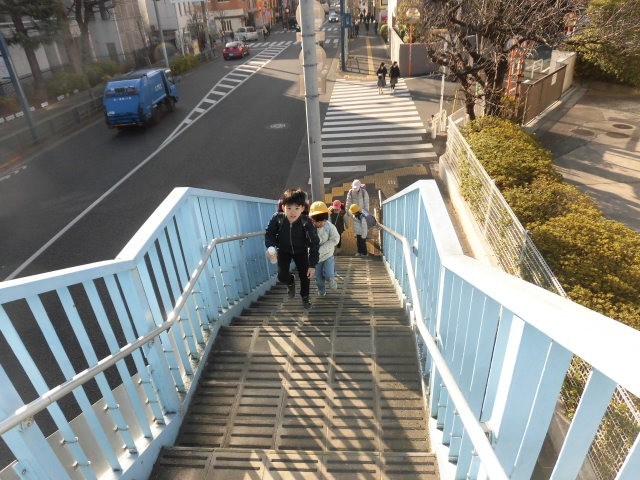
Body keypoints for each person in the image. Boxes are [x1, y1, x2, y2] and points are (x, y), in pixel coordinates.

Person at [265, 188, 320, 309]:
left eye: (297, 208)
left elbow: (315, 243)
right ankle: (290, 281)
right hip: (283, 250)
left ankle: (305, 296)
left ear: (302, 208)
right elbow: (269, 234)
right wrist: (270, 247)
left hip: (301, 251)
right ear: (283, 207)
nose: (293, 212)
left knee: (305, 276)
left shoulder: (306, 221)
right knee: (282, 277)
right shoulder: (277, 218)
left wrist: (312, 264)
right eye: (289, 208)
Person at [308, 202, 340, 296]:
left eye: (324, 220)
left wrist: (321, 249)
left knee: (329, 273)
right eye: (318, 221)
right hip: (316, 258)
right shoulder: (309, 228)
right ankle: (321, 291)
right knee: (318, 278)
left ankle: (331, 278)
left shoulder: (329, 226)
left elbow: (335, 239)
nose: (322, 223)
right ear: (312, 219)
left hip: (328, 255)